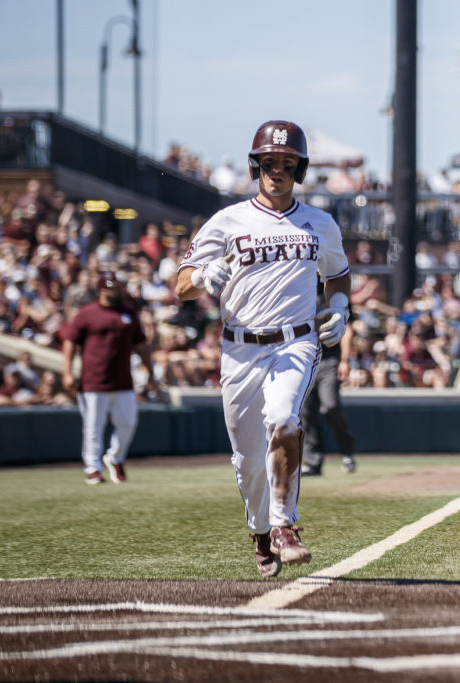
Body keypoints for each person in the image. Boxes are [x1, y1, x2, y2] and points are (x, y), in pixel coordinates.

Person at [175, 120, 351, 579]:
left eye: (287, 163)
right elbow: (181, 284)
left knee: (284, 417)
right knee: (248, 461)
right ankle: (259, 530)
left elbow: (337, 272)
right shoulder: (227, 220)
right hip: (239, 349)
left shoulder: (321, 223)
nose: (277, 171)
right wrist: (202, 278)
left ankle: (284, 526)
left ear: (300, 169)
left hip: (296, 341)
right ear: (256, 166)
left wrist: (341, 305)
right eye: (269, 163)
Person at [59, 271, 157, 485]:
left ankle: (114, 458)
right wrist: (67, 371)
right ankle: (92, 468)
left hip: (123, 381)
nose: (117, 291)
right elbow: (69, 341)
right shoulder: (87, 313)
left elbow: (141, 344)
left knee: (128, 423)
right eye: (113, 288)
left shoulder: (128, 313)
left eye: (118, 287)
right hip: (93, 381)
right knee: (93, 427)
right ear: (102, 289)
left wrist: (150, 371)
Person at [300, 281, 357, 477]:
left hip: (329, 360)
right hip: (305, 359)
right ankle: (312, 462)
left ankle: (346, 451)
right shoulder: (299, 291)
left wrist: (344, 359)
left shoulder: (334, 291)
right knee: (306, 413)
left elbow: (348, 329)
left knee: (331, 406)